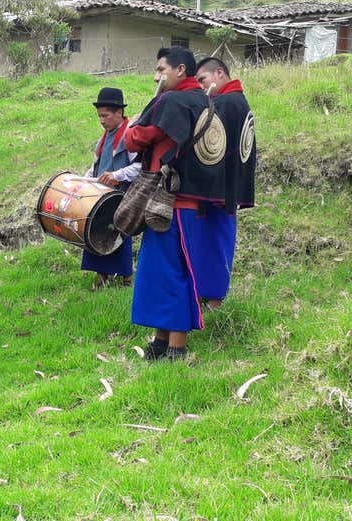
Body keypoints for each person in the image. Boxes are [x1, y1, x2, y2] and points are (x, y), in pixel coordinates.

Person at [123, 46, 220, 361]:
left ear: (180, 70)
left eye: (161, 70)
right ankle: (160, 341)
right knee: (168, 270)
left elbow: (134, 140)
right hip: (194, 203)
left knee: (169, 272)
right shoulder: (206, 102)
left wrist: (131, 126)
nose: (156, 77)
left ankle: (177, 348)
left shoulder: (171, 101)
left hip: (168, 201)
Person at [193, 56, 257, 310]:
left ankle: (214, 300)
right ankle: (208, 297)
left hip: (217, 190)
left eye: (203, 79)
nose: (200, 86)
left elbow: (210, 146)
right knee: (213, 242)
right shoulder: (237, 100)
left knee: (214, 243)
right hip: (227, 189)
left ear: (219, 73)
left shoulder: (226, 103)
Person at [81, 87, 141, 288]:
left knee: (119, 235)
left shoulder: (130, 136)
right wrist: (84, 179)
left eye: (105, 116)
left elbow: (141, 167)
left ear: (119, 112)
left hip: (121, 197)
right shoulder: (103, 139)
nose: (101, 120)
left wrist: (116, 175)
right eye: (99, 116)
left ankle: (125, 278)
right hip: (100, 196)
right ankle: (101, 276)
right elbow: (96, 166)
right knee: (94, 229)